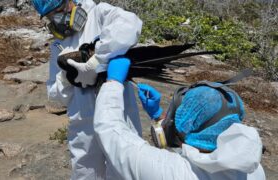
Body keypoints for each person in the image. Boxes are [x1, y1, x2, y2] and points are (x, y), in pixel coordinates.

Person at [93, 58, 266, 180]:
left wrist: (113, 83)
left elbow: (111, 131)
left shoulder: (166, 171)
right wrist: (158, 115)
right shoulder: (252, 170)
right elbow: (198, 153)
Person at [32, 0, 143, 179]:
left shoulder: (99, 15)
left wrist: (97, 60)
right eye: (52, 16)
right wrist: (67, 79)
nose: (59, 19)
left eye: (60, 10)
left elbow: (130, 24)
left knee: (124, 167)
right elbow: (54, 92)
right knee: (85, 171)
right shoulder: (58, 45)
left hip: (120, 113)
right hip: (83, 122)